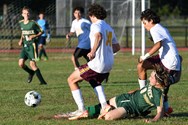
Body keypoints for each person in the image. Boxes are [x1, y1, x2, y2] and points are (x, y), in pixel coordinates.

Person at [54, 4, 120, 120]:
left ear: (92, 15)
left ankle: (81, 110)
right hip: (109, 64)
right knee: (94, 81)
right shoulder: (109, 27)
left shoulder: (95, 25)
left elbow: (98, 36)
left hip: (98, 63)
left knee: (71, 80)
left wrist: (93, 51)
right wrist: (106, 51)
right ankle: (104, 106)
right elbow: (117, 47)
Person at [53, 65, 169, 123]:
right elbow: (139, 92)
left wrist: (153, 120)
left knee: (108, 117)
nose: (149, 77)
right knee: (97, 109)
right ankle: (71, 114)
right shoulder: (152, 85)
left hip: (129, 108)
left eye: (152, 76)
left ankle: (106, 112)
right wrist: (131, 92)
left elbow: (160, 112)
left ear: (158, 82)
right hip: (124, 98)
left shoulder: (159, 94)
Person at [137, 9, 182, 115]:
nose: (144, 26)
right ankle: (143, 93)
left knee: (161, 86)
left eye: (144, 23)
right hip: (165, 59)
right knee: (141, 65)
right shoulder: (160, 28)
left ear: (151, 21)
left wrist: (145, 56)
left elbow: (158, 45)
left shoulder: (154, 29)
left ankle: (164, 108)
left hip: (169, 63)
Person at [18, 6, 47, 85]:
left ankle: (43, 82)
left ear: (29, 14)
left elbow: (41, 31)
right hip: (25, 46)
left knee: (32, 64)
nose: (26, 15)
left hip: (32, 46)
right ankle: (31, 73)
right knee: (21, 64)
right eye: (24, 13)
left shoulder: (33, 23)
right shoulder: (21, 23)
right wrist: (21, 40)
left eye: (28, 13)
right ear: (22, 14)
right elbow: (23, 32)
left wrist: (34, 36)